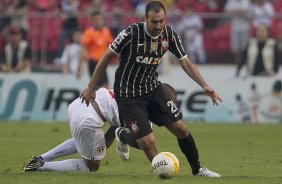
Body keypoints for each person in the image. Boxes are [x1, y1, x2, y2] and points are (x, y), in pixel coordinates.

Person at [80, 1, 222, 177]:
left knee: (181, 129)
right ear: (146, 18)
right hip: (128, 95)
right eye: (154, 21)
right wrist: (91, 86)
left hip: (152, 89)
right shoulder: (131, 33)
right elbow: (107, 55)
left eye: (161, 21)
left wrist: (204, 85)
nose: (158, 25)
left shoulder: (169, 34)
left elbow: (184, 61)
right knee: (148, 141)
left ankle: (197, 170)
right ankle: (134, 146)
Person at [22, 87, 125, 172]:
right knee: (92, 166)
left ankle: (40, 159)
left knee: (85, 140)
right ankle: (41, 166)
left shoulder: (126, 88)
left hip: (78, 105)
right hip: (87, 119)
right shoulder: (134, 107)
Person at [79, 11, 113, 89]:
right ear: (92, 21)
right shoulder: (89, 32)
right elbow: (83, 47)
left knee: (104, 87)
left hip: (102, 62)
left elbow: (111, 45)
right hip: (93, 62)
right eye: (95, 20)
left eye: (99, 19)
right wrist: (80, 66)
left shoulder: (106, 31)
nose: (98, 21)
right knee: (100, 87)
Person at [224, 0, 250, 65]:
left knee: (244, 47)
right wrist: (240, 11)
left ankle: (244, 62)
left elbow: (246, 11)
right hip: (234, 28)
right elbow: (227, 11)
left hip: (245, 28)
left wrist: (234, 11)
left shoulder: (246, 1)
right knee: (235, 47)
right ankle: (238, 62)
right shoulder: (231, 1)